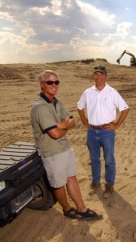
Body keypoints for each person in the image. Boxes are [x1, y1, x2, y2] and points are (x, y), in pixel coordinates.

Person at [30, 70, 102, 221]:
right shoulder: (40, 107)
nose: (54, 85)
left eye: (56, 82)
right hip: (52, 152)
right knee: (58, 184)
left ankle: (82, 209)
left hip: (65, 148)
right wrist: (65, 126)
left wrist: (60, 125)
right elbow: (55, 134)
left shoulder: (57, 102)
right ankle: (67, 209)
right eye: (50, 82)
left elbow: (73, 121)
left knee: (71, 178)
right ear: (42, 85)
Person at [77, 65, 130, 199]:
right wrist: (84, 121)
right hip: (92, 131)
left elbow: (125, 109)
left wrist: (117, 124)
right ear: (93, 76)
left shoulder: (112, 92)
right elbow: (80, 107)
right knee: (94, 159)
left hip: (107, 132)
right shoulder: (88, 92)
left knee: (109, 160)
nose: (98, 77)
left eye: (101, 74)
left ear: (105, 76)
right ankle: (95, 182)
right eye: (96, 74)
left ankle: (109, 185)